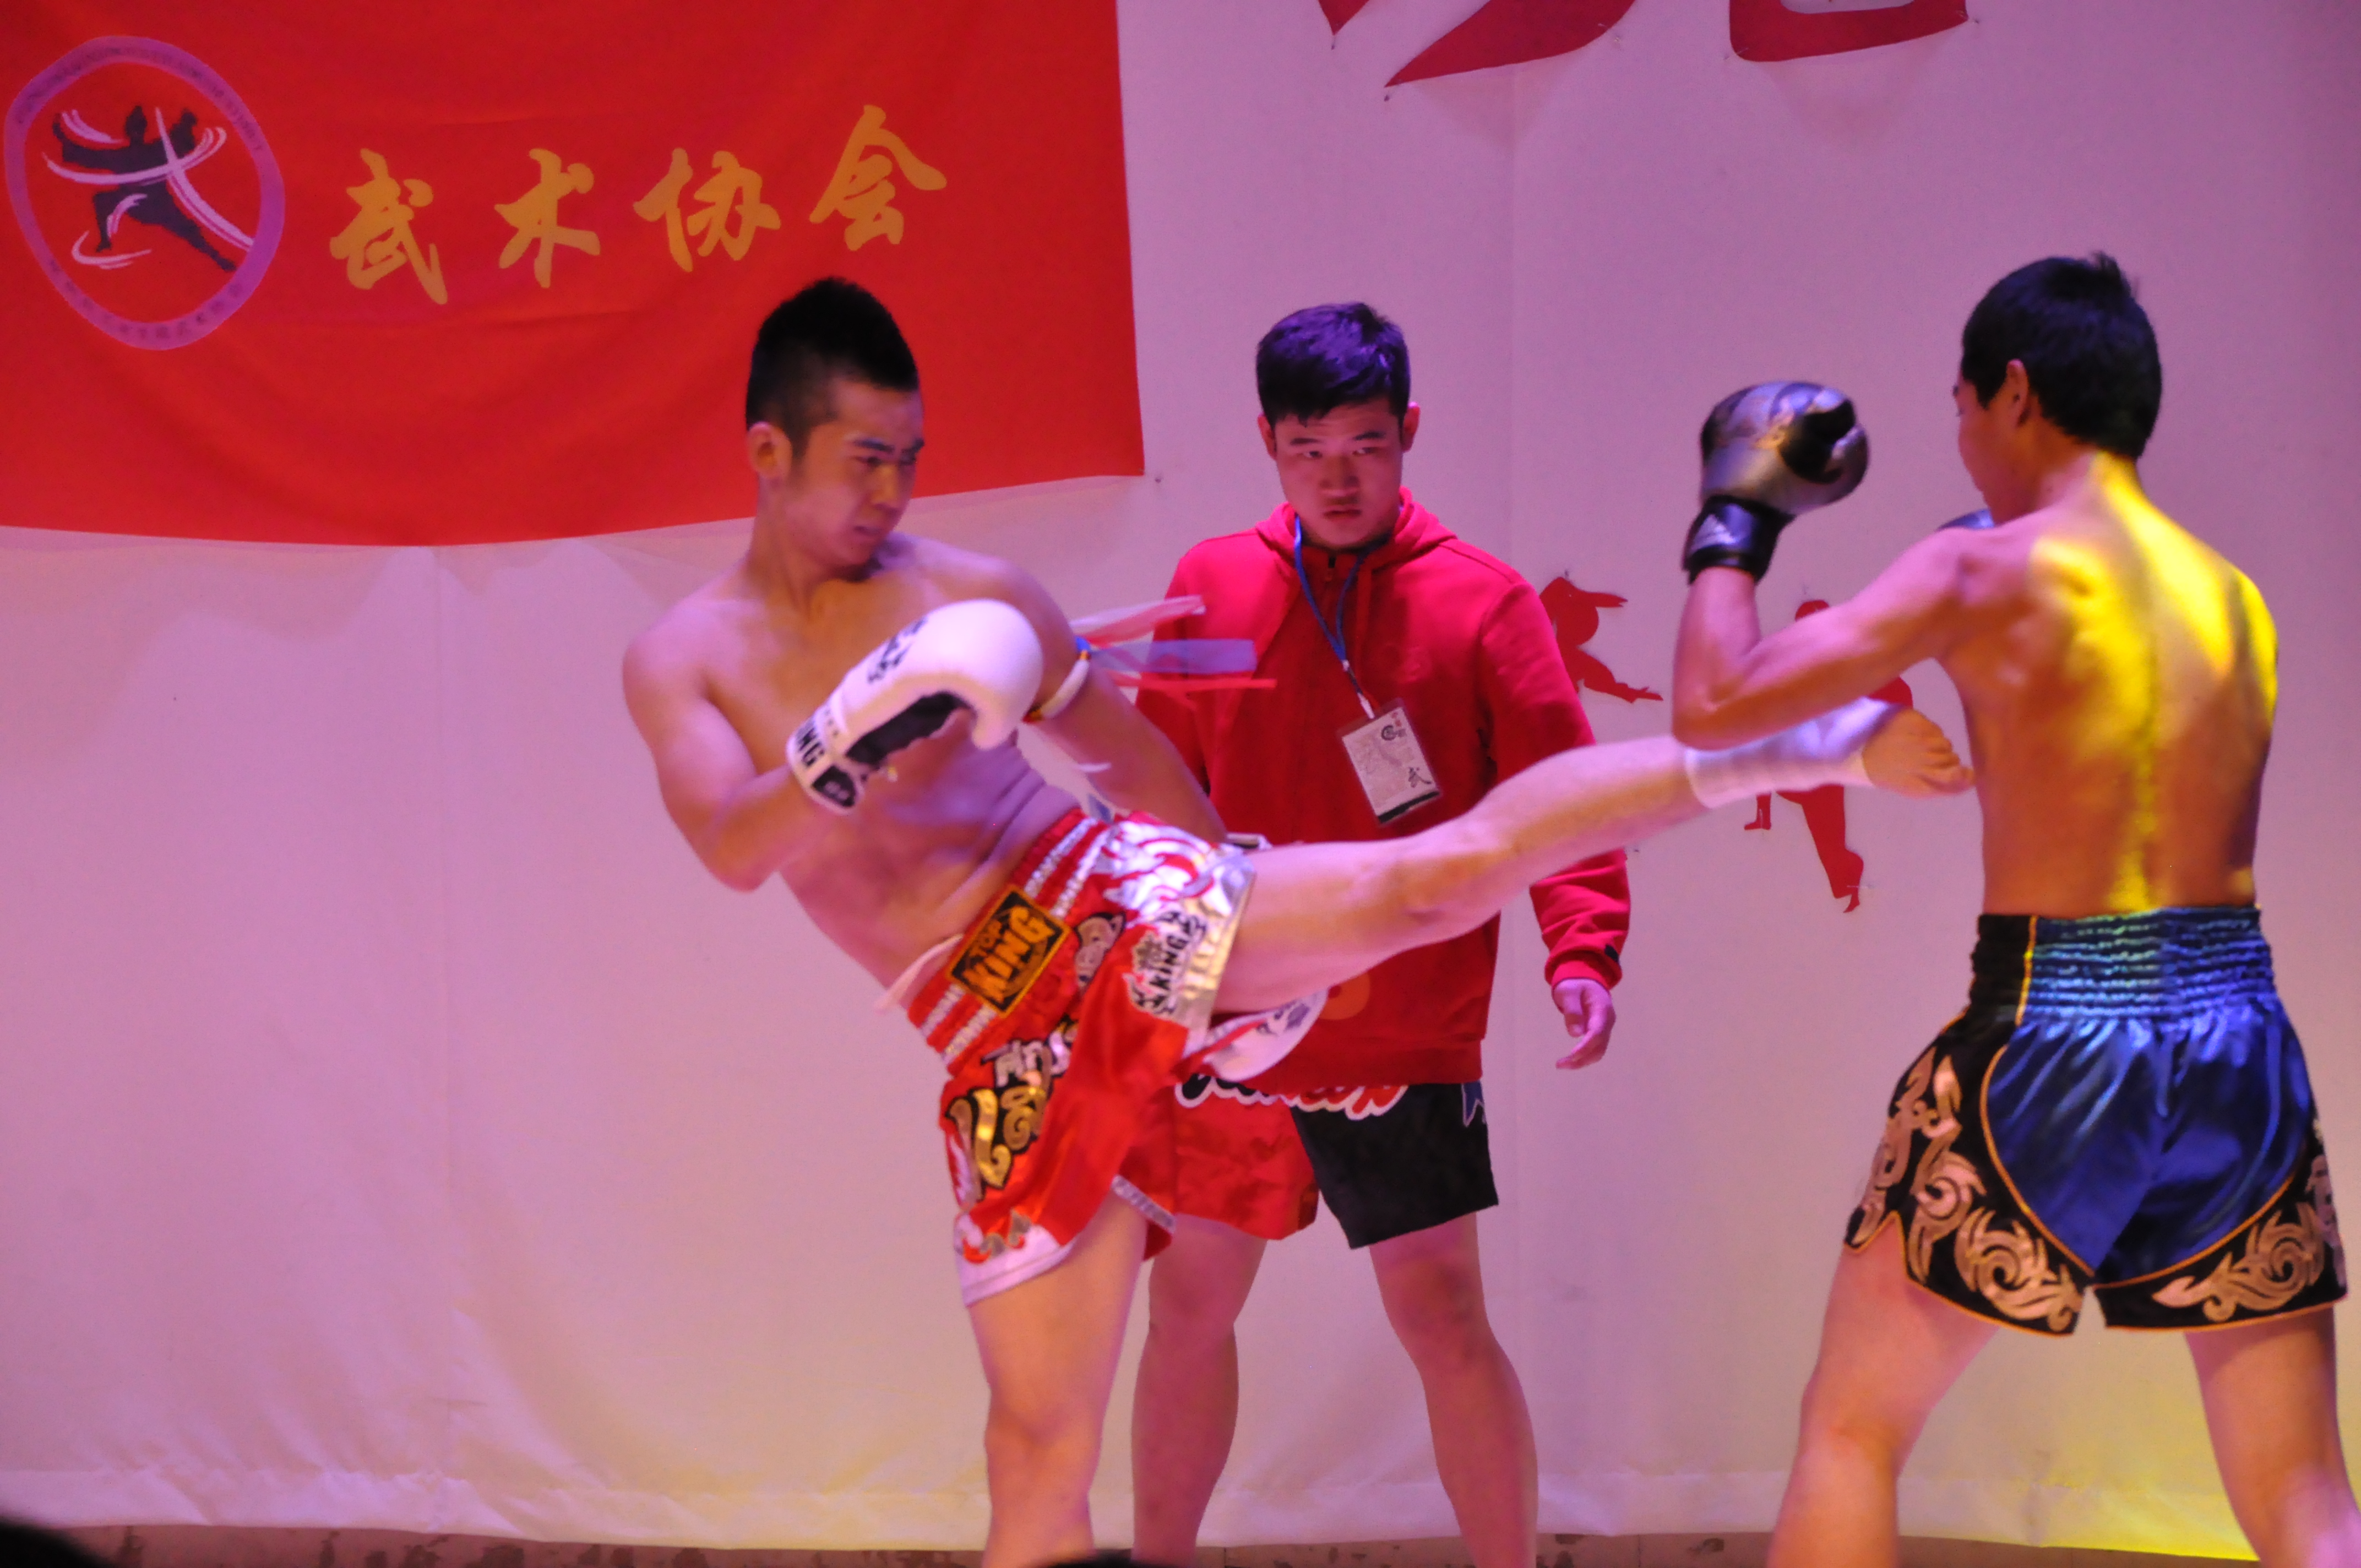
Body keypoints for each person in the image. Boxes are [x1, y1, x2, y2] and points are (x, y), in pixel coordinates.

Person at [622, 277, 1967, 1568]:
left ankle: (1799, 747)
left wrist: (1232, 933)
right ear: (767, 450)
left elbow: (1136, 767)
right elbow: (731, 845)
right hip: (992, 1034)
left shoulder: (970, 592)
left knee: (1429, 883)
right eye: (865, 459)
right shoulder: (684, 656)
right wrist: (850, 729)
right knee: (1041, 1442)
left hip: (1119, 910)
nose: (892, 491)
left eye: (910, 458)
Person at [1667, 256, 2361, 1567]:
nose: (1962, 438)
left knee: (1850, 1429)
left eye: (1961, 408)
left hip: (2053, 1028)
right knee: (2302, 1491)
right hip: (2239, 1039)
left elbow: (1710, 701)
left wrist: (1732, 520)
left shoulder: (1976, 569)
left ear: (2016, 393)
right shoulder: (2232, 597)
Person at [1126, 302, 1631, 1568]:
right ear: (1265, 442)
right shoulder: (1212, 584)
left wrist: (1581, 949)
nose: (1336, 478)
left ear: (1408, 430)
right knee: (1188, 1301)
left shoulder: (1481, 601)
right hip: (1233, 1018)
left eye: (1363, 445)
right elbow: (1154, 801)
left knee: (1440, 1311)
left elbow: (1560, 797)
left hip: (1403, 1020)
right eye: (1307, 451)